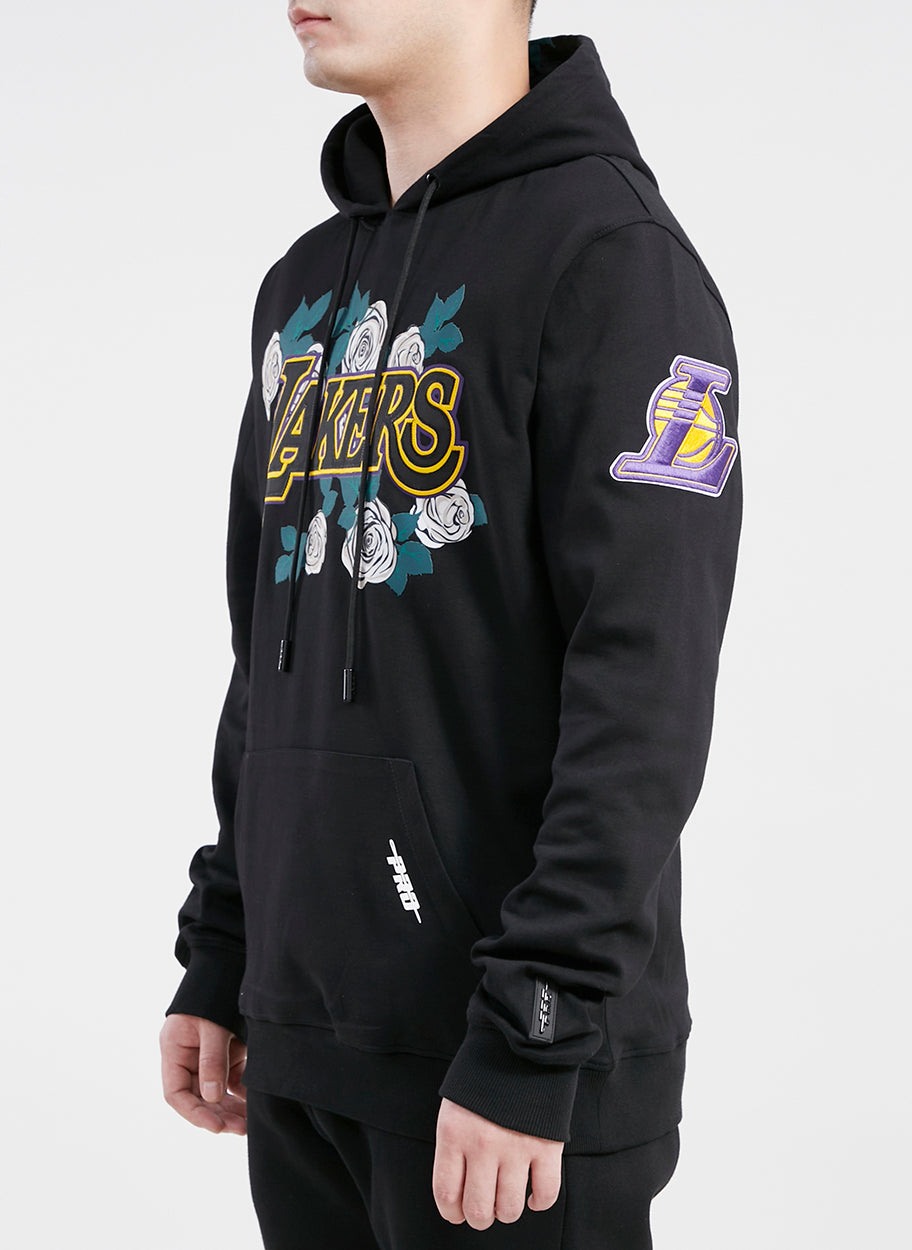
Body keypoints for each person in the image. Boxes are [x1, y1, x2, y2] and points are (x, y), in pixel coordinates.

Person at [159, 2, 743, 1245]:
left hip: (509, 1074)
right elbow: (266, 644)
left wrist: (537, 1024)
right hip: (307, 1036)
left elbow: (645, 687)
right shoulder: (303, 289)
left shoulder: (614, 262)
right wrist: (227, 939)